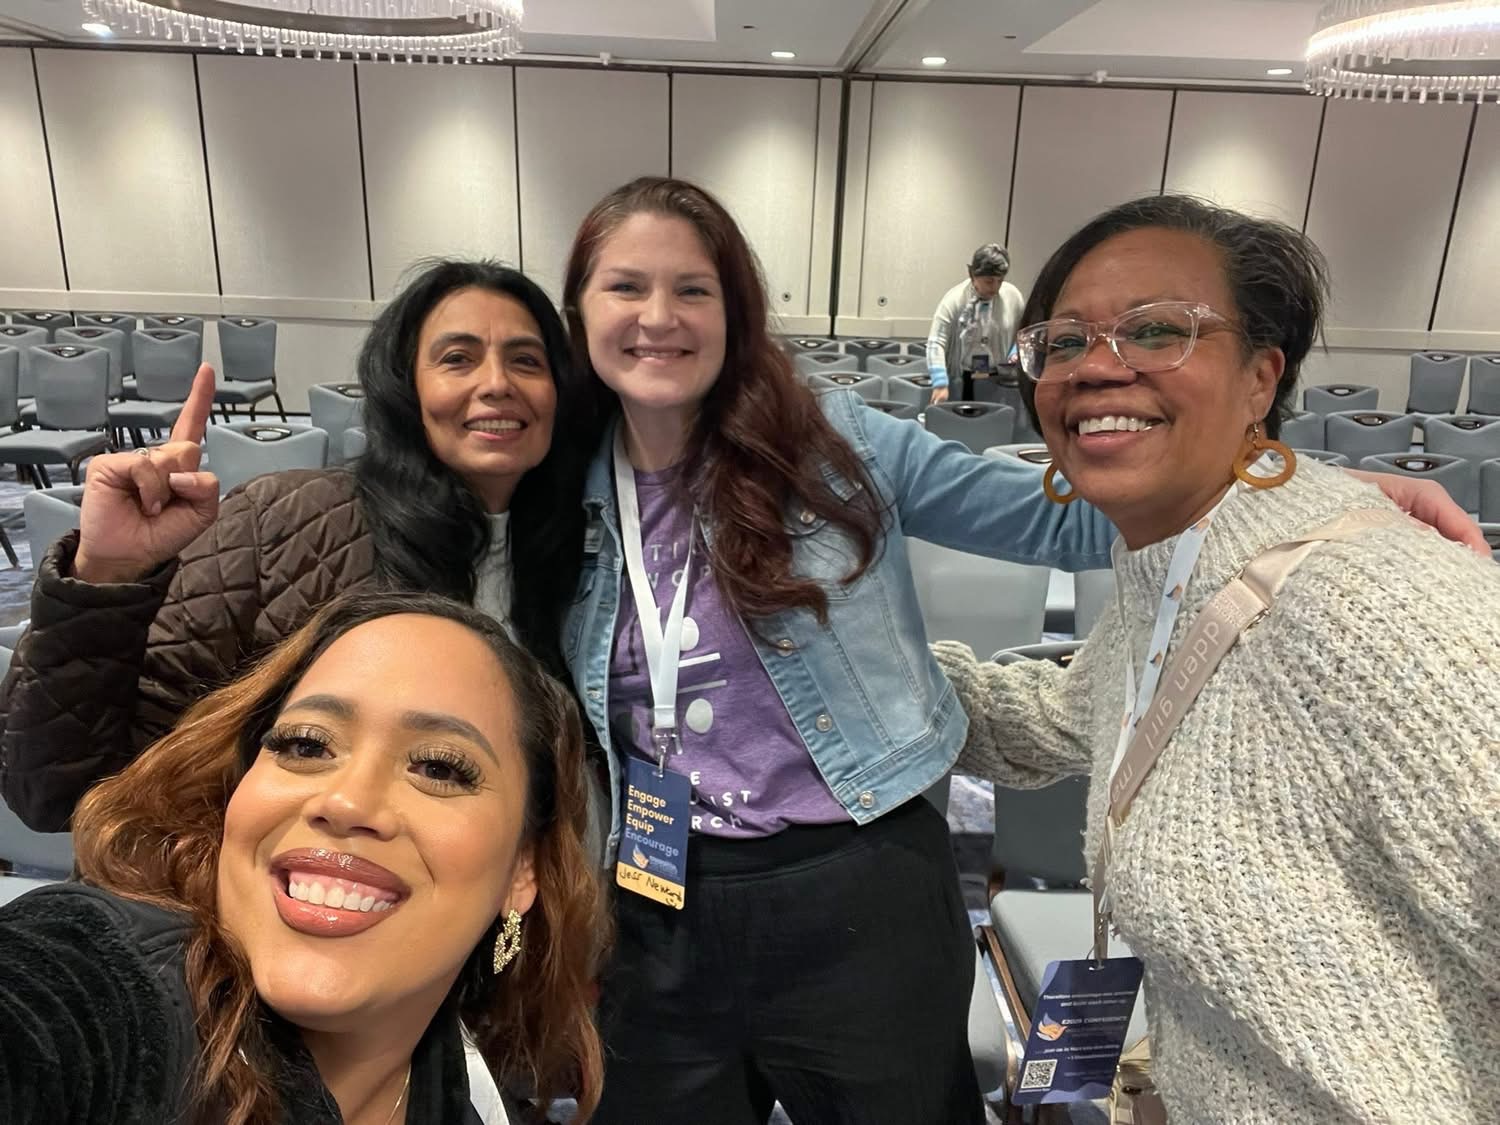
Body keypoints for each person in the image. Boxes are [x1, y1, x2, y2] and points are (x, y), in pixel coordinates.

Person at [550, 175, 1481, 1125]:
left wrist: (1293, 483)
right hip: (653, 888)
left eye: (692, 288)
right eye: (625, 286)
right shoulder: (559, 478)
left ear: (734, 311)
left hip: (853, 883)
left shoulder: (830, 441)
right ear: (580, 310)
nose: (657, 316)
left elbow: (1065, 517)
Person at [935, 195, 1500, 1123]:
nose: (1097, 366)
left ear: (1260, 378)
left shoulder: (1393, 612)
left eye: (1157, 330)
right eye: (1065, 341)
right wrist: (846, 665)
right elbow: (1054, 719)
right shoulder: (1173, 572)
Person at [1, 259, 589, 834]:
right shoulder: (284, 524)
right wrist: (106, 576)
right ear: (406, 386)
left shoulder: (589, 556)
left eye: (526, 361)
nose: (497, 383)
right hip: (300, 884)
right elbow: (57, 789)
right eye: (457, 358)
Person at [0, 588, 606, 1124]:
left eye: (439, 768)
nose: (346, 802)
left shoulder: (466, 1091)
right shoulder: (103, 990)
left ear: (523, 869)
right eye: (307, 746)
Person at [926, 242, 1025, 404]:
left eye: (1000, 281)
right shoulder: (954, 300)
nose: (995, 288)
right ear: (972, 275)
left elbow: (1023, 333)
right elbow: (935, 343)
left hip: (997, 377)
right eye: (989, 281)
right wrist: (940, 383)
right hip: (963, 376)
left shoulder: (1013, 297)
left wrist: (1015, 352)